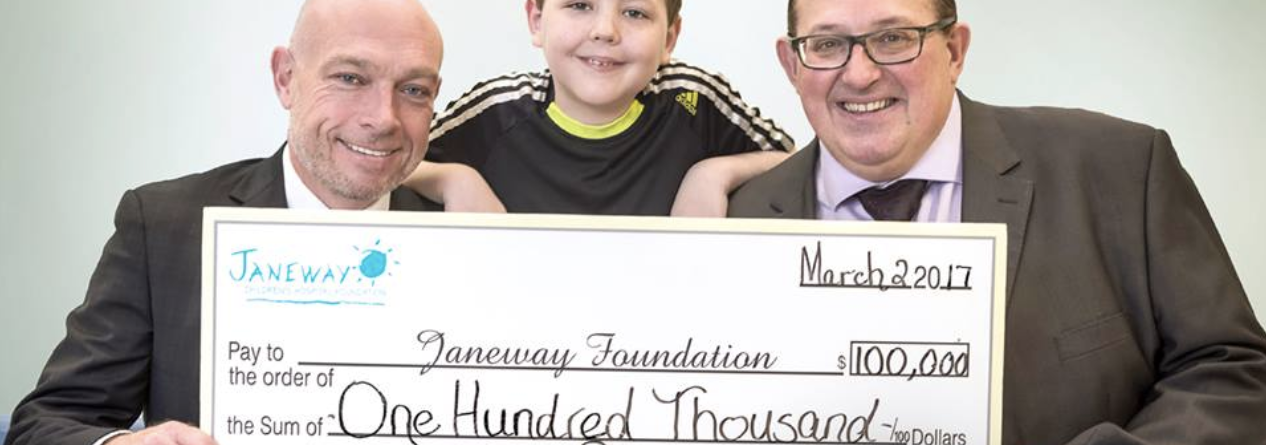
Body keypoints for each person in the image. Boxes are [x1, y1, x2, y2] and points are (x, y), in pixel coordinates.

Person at [729, 0, 1266, 443]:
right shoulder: (738, 219)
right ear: (791, 63)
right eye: (827, 45)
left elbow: (1232, 370)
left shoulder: (1119, 166)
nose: (861, 73)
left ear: (954, 50)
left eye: (893, 39)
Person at [4, 1, 445, 444]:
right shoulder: (164, 225)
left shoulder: (465, 244)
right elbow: (44, 425)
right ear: (286, 78)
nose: (383, 118)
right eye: (350, 78)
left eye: (414, 90)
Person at [406, 0, 795, 216]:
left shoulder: (691, 98)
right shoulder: (496, 110)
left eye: (635, 12)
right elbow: (391, 163)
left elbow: (795, 162)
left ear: (669, 39)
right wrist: (453, 179)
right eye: (580, 5)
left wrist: (713, 174)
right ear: (537, 20)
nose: (605, 30)